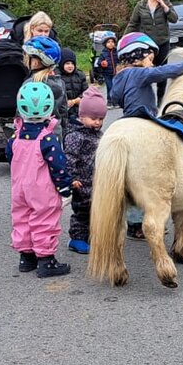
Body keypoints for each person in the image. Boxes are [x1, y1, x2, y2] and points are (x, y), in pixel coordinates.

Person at [108, 32, 183, 239]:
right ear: (137, 56)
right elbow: (162, 72)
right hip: (144, 118)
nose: (152, 61)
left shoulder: (119, 77)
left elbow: (114, 98)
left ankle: (133, 224)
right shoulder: (138, 73)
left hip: (126, 118)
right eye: (149, 57)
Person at [8, 81, 73, 278]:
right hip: (42, 189)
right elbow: (58, 165)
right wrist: (64, 187)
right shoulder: (48, 139)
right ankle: (46, 260)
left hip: (19, 187)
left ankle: (26, 258)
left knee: (22, 219)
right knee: (44, 220)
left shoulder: (15, 136)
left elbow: (9, 155)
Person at [63, 86, 106, 254]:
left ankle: (92, 236)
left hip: (95, 181)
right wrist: (72, 178)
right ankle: (77, 239)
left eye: (101, 118)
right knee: (81, 212)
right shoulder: (76, 136)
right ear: (81, 116)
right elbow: (70, 158)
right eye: (93, 118)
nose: (97, 122)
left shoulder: (99, 135)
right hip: (81, 182)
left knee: (95, 211)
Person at [126, 0, 178, 103]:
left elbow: (174, 19)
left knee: (161, 73)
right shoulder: (141, 5)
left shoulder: (166, 3)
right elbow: (133, 24)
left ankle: (160, 101)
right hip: (147, 45)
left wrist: (163, 5)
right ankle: (145, 100)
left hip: (162, 43)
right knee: (145, 72)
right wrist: (124, 40)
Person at [24, 36, 69, 126]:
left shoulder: (29, 84)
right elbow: (63, 111)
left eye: (27, 56)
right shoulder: (60, 82)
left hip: (32, 134)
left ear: (35, 62)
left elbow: (21, 112)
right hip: (54, 131)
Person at [58, 49, 87, 123]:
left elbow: (86, 91)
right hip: (65, 112)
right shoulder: (57, 77)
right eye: (67, 63)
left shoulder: (80, 75)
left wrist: (78, 99)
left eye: (72, 63)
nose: (70, 66)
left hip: (80, 110)